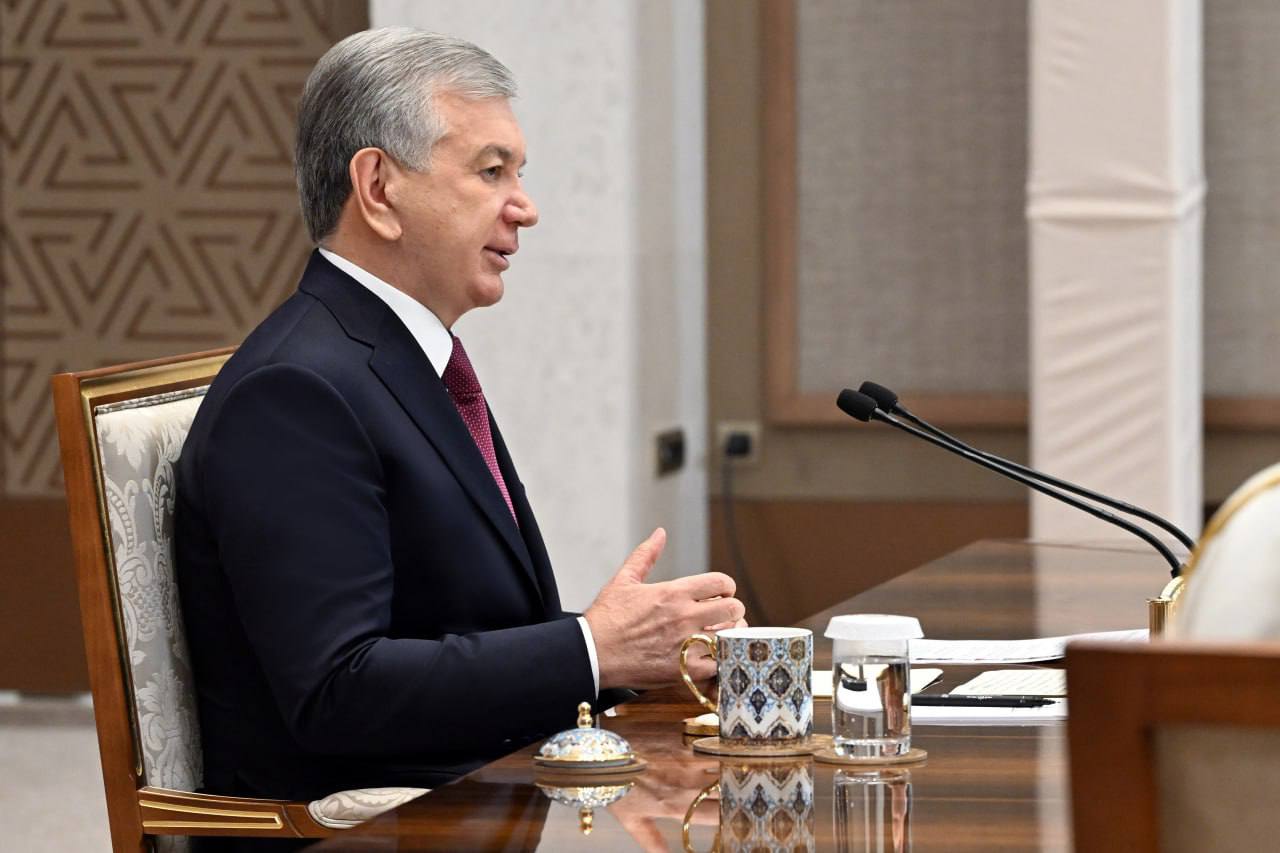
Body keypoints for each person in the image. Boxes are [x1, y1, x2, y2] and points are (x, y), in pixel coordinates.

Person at [175, 27, 744, 802]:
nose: (525, 208)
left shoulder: (404, 360)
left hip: (481, 790)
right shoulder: (295, 391)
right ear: (379, 188)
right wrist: (592, 649)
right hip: (383, 828)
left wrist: (645, 650)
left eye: (519, 172)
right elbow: (338, 690)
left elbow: (465, 623)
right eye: (490, 170)